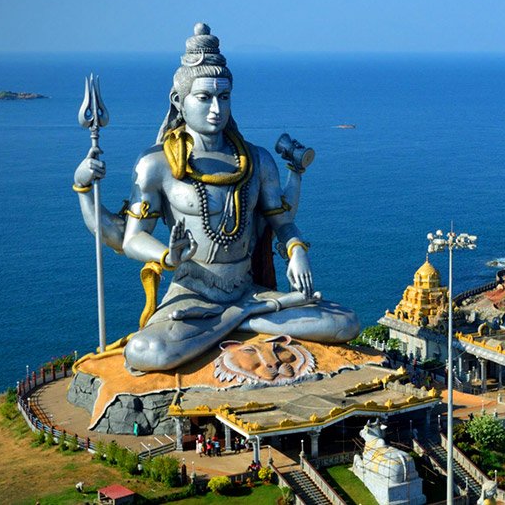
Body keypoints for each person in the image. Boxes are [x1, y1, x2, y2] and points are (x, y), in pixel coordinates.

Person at [73, 23, 359, 373]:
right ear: (179, 101)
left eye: (223, 97)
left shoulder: (256, 160)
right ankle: (244, 319)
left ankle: (238, 317)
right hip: (192, 294)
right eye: (204, 97)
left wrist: (297, 252)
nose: (215, 109)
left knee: (344, 322)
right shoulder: (157, 164)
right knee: (147, 350)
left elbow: (281, 221)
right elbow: (131, 239)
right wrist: (166, 254)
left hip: (248, 290)